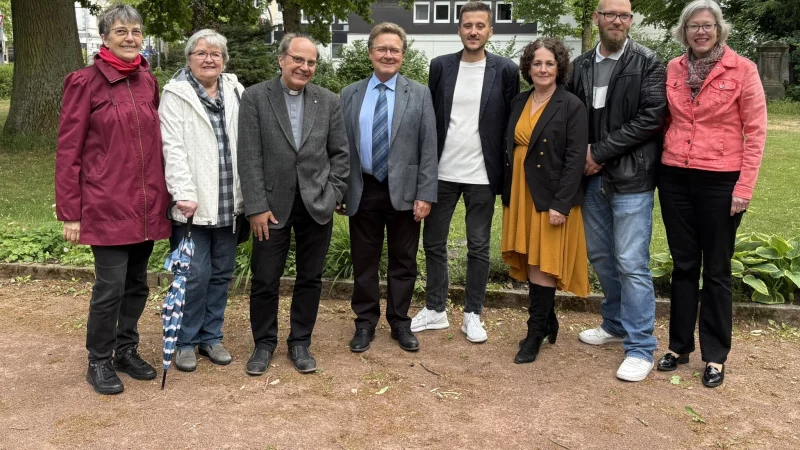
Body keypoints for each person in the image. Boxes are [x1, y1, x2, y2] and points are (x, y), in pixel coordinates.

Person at [55, 4, 171, 395]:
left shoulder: (147, 82)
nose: (130, 37)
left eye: (136, 31)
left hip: (146, 203)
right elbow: (68, 150)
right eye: (121, 31)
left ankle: (126, 349)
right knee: (111, 286)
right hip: (105, 205)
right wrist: (71, 212)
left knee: (137, 283)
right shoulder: (84, 82)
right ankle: (99, 360)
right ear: (104, 37)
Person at [656, 0, 767, 388]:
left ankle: (716, 355)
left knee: (716, 270)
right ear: (683, 31)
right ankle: (678, 346)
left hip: (721, 180)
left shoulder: (743, 70)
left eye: (707, 25)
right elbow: (663, 120)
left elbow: (756, 132)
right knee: (684, 265)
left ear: (719, 29)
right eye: (693, 26)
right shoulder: (673, 68)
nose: (700, 32)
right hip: (675, 178)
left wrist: (745, 186)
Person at [237, 34, 349, 375]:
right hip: (270, 207)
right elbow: (249, 154)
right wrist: (255, 205)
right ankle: (264, 344)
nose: (304, 67)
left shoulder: (328, 101)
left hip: (316, 205)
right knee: (266, 278)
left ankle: (300, 342)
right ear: (282, 59)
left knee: (310, 278)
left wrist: (332, 196)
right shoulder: (256, 97)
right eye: (298, 59)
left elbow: (341, 155)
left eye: (311, 62)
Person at [568, 0, 668, 382]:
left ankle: (641, 346)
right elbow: (571, 115)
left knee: (631, 262)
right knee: (601, 256)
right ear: (597, 19)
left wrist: (600, 153)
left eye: (624, 15)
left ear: (630, 20)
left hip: (632, 178)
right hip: (591, 178)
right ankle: (614, 324)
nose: (617, 21)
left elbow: (651, 118)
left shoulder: (649, 62)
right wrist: (583, 156)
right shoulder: (580, 66)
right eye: (609, 14)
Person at [413, 1, 519, 343]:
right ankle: (435, 309)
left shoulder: (505, 70)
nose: (473, 31)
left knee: (478, 246)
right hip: (443, 172)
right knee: (433, 243)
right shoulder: (440, 66)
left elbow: (509, 124)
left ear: (490, 31)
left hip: (482, 175)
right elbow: (431, 120)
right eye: (467, 25)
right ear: (459, 29)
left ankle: (473, 314)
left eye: (480, 26)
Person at [339, 22, 438, 353]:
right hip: (363, 188)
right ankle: (365, 323)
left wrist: (425, 194)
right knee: (364, 261)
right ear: (370, 53)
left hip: (406, 192)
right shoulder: (349, 94)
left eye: (394, 49)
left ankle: (399, 322)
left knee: (404, 261)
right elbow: (341, 148)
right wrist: (339, 190)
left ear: (403, 55)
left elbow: (428, 148)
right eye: (381, 48)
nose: (388, 54)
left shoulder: (420, 94)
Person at [160, 29, 246, 372]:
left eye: (216, 53)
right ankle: (185, 341)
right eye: (201, 53)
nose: (209, 59)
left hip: (229, 203)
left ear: (223, 60)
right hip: (193, 206)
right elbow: (173, 149)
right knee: (192, 276)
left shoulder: (236, 90)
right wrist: (183, 192)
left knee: (221, 274)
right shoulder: (175, 94)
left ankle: (212, 337)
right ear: (189, 58)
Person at [501, 38, 589, 364]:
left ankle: (534, 332)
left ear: (559, 67)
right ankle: (547, 318)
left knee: (543, 261)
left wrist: (561, 203)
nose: (542, 69)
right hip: (522, 193)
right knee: (530, 259)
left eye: (549, 63)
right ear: (528, 67)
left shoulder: (571, 105)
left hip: (551, 196)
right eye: (537, 63)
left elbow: (576, 158)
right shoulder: (518, 101)